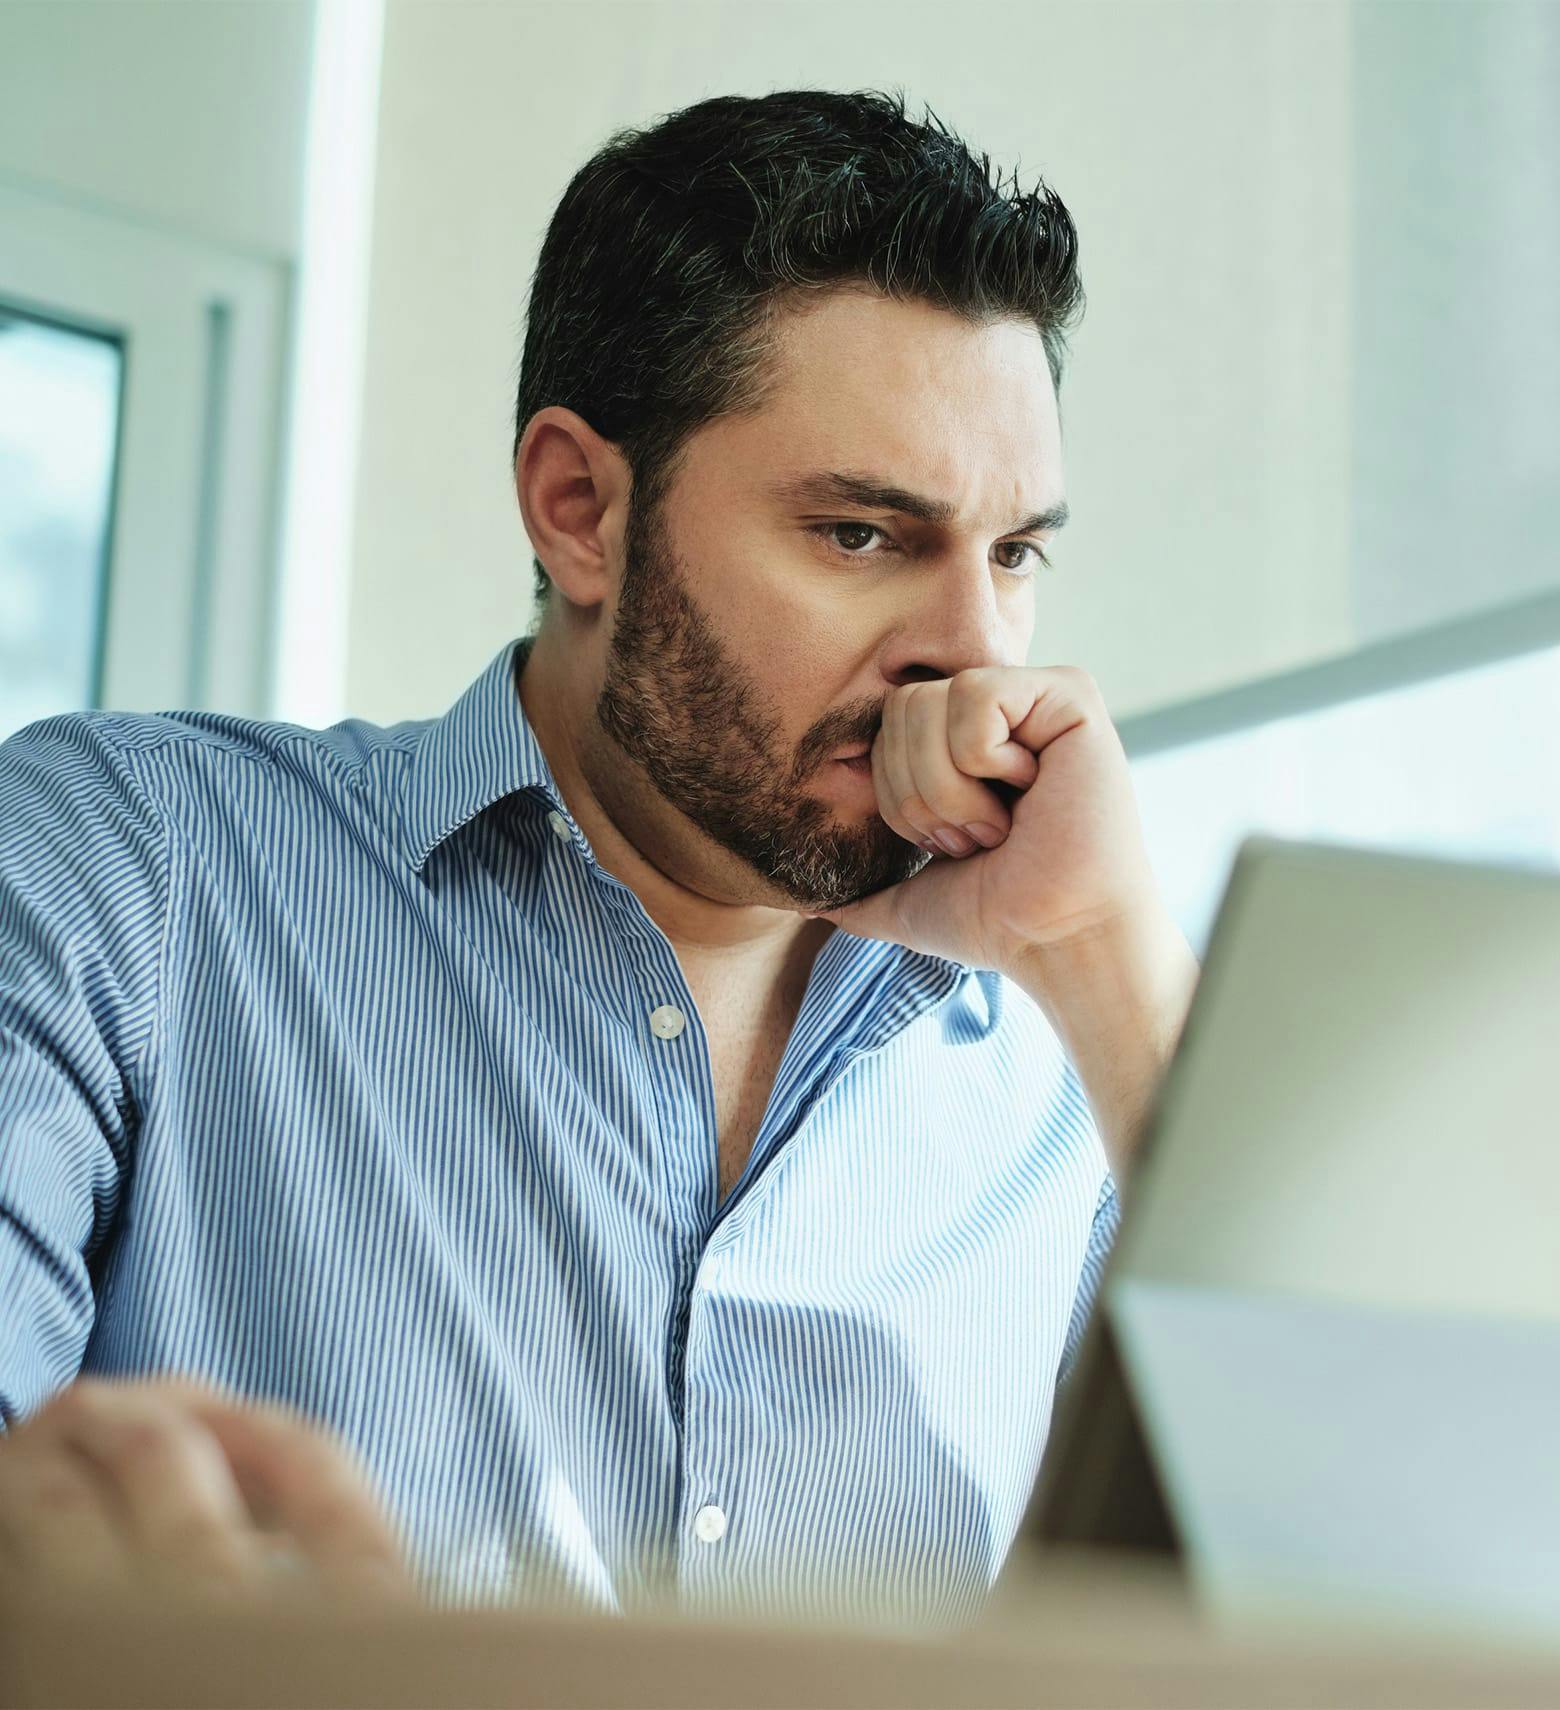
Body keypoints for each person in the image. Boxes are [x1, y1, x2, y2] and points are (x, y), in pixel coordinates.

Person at [0, 88, 1200, 1630]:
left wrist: (1109, 970)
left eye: (1015, 554)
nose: (973, 648)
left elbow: (1381, 1590)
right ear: (580, 510)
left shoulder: (1072, 1096)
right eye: (861, 536)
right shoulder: (125, 872)